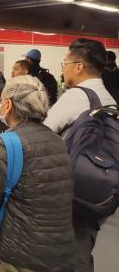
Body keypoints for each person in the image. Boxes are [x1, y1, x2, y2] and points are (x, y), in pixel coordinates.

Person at [0, 75, 75, 271]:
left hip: (19, 256)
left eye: (1, 100)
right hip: (61, 253)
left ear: (7, 105)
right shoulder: (58, 141)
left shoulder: (8, 144)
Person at [44, 39, 117, 272]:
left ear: (78, 66)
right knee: (83, 244)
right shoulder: (107, 97)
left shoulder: (77, 96)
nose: (62, 69)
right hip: (99, 187)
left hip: (71, 189)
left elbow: (43, 134)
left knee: (68, 253)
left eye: (64, 63)